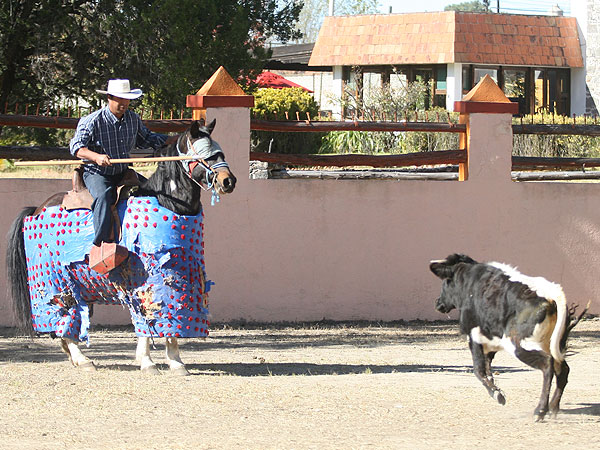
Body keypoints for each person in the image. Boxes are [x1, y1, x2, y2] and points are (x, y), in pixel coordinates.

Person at [70, 79, 175, 251]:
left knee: (152, 191)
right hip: (97, 173)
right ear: (109, 98)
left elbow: (146, 139)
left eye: (127, 99)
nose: (124, 103)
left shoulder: (133, 119)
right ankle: (101, 246)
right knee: (104, 196)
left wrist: (171, 140)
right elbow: (76, 148)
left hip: (122, 171)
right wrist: (95, 157)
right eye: (120, 99)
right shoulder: (92, 120)